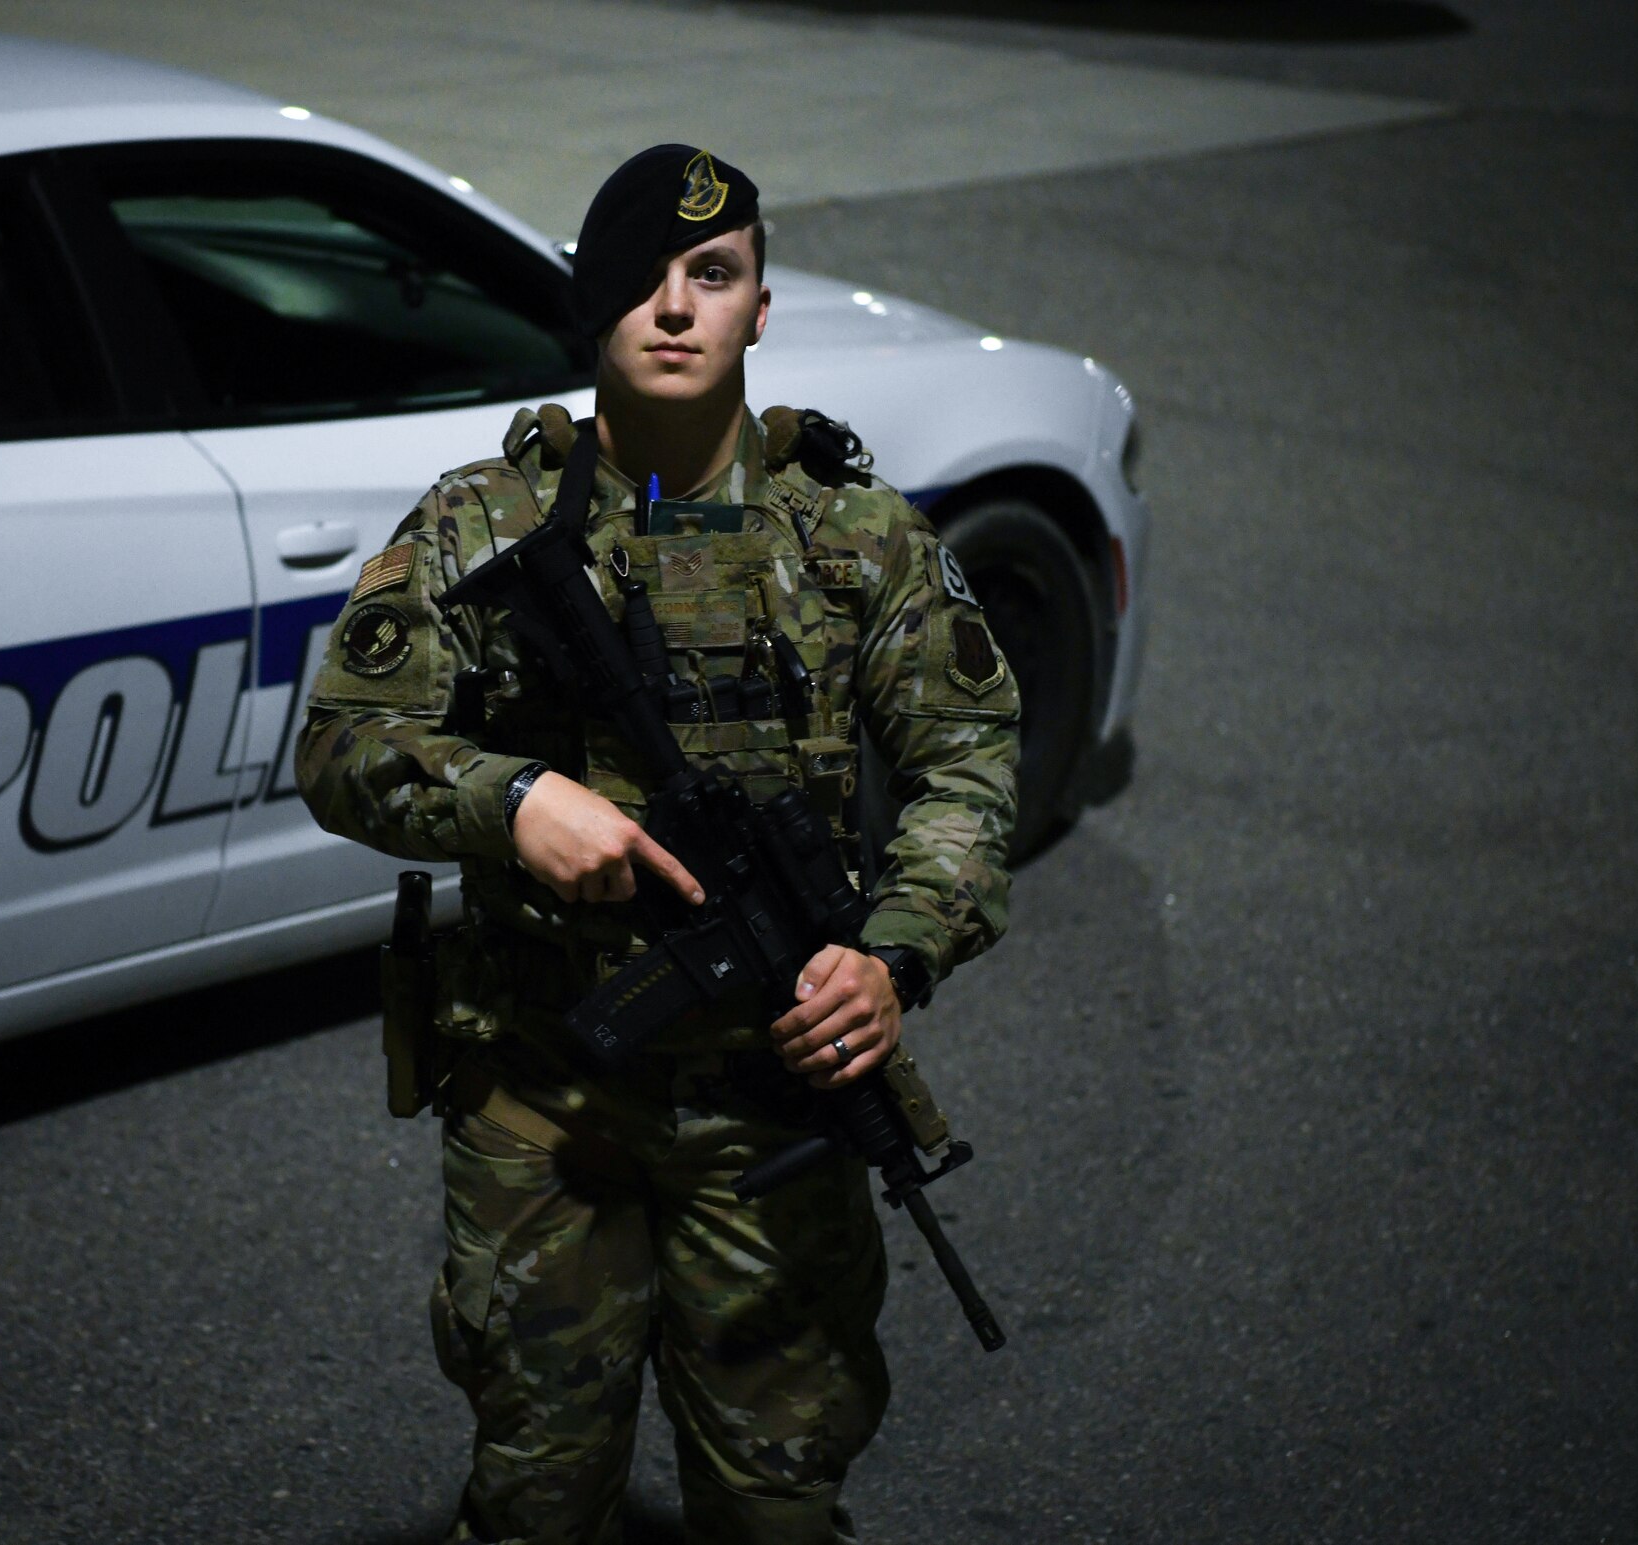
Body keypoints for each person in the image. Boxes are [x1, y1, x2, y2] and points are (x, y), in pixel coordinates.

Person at [297, 144, 1021, 1545]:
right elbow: (341, 743)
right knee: (538, 1488)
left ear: (762, 307)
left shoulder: (856, 538)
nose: (677, 308)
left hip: (777, 1100)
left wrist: (893, 955)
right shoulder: (481, 522)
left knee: (773, 1495)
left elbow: (969, 768)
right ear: (591, 310)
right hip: (546, 1089)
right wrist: (513, 802)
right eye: (641, 280)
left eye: (713, 275)